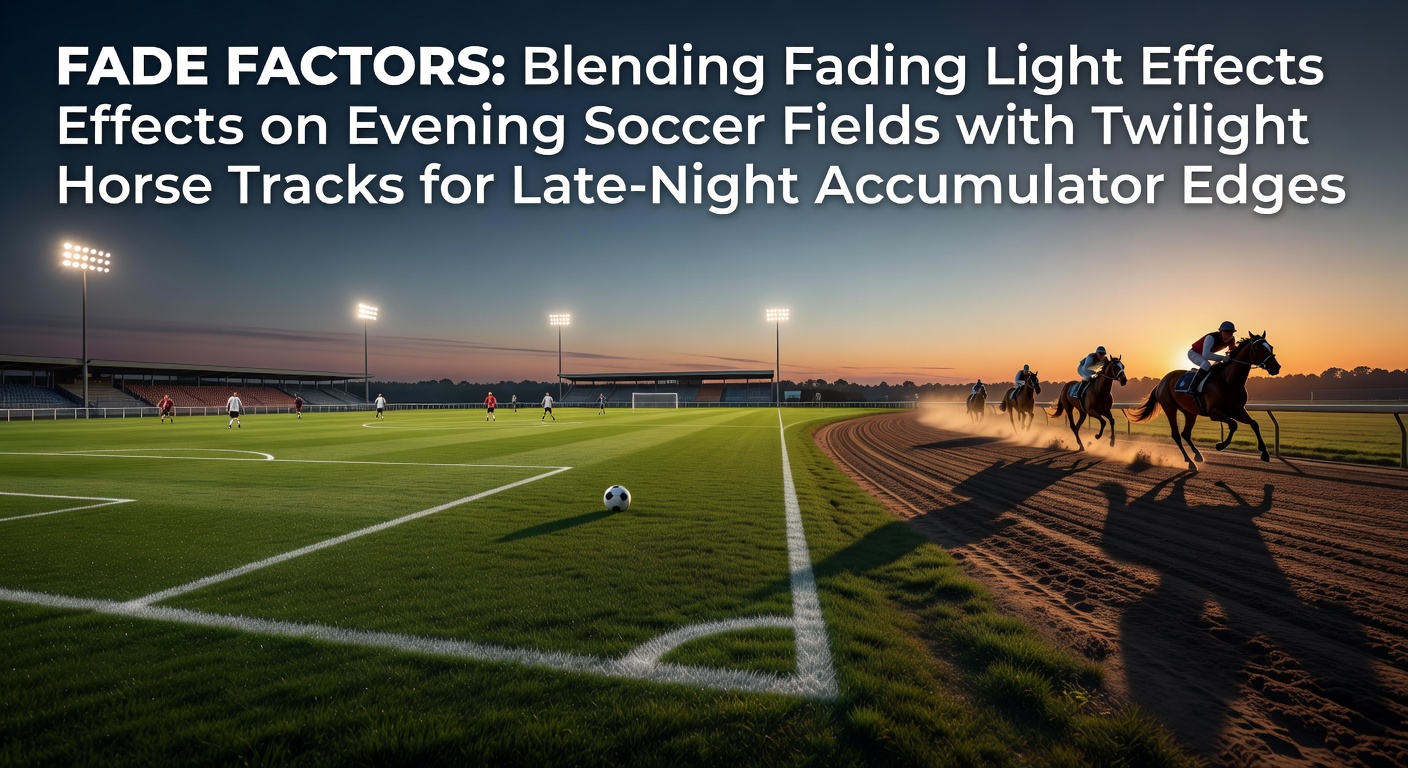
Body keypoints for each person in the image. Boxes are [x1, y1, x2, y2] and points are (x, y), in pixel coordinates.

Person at [1189, 321, 1237, 392]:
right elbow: (1206, 355)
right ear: (1220, 332)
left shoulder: (1231, 339)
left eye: (1230, 333)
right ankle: (1192, 387)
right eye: (1226, 333)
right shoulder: (1210, 337)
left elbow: (1231, 351)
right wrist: (1223, 358)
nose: (1228, 336)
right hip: (1194, 353)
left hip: (1205, 354)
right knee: (1206, 364)